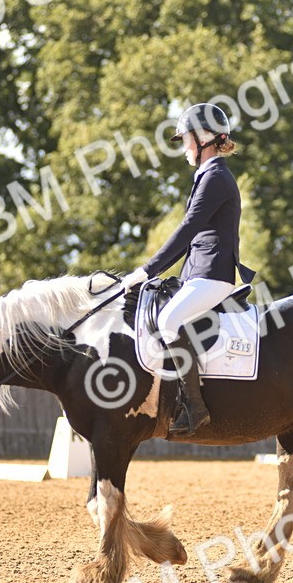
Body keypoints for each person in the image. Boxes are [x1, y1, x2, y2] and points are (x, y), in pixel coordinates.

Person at [121, 103, 255, 436]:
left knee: (169, 320)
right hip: (198, 273)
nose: (183, 147)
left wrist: (145, 270)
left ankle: (195, 408)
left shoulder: (216, 177)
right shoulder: (208, 175)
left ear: (204, 137)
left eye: (186, 139)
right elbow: (190, 238)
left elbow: (188, 229)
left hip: (213, 273)